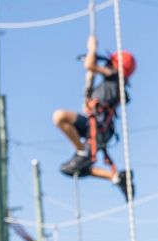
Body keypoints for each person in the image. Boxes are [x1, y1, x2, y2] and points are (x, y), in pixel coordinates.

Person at [51, 35, 135, 198]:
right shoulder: (111, 84)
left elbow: (90, 65)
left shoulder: (115, 76)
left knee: (59, 116)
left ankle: (81, 152)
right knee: (69, 169)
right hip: (97, 127)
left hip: (97, 127)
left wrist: (92, 48)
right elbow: (90, 70)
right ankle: (116, 177)